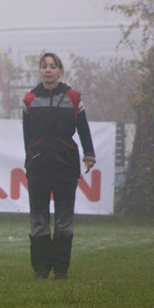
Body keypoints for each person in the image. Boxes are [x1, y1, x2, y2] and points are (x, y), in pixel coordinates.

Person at [21, 52, 96, 280]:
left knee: (64, 218)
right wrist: (31, 157)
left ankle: (61, 270)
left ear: (60, 71)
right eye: (44, 66)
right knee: (39, 218)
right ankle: (41, 269)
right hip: (38, 167)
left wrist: (89, 154)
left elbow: (83, 128)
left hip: (65, 165)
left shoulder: (73, 97)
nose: (48, 70)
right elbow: (27, 135)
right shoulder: (29, 99)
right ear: (40, 71)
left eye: (53, 66)